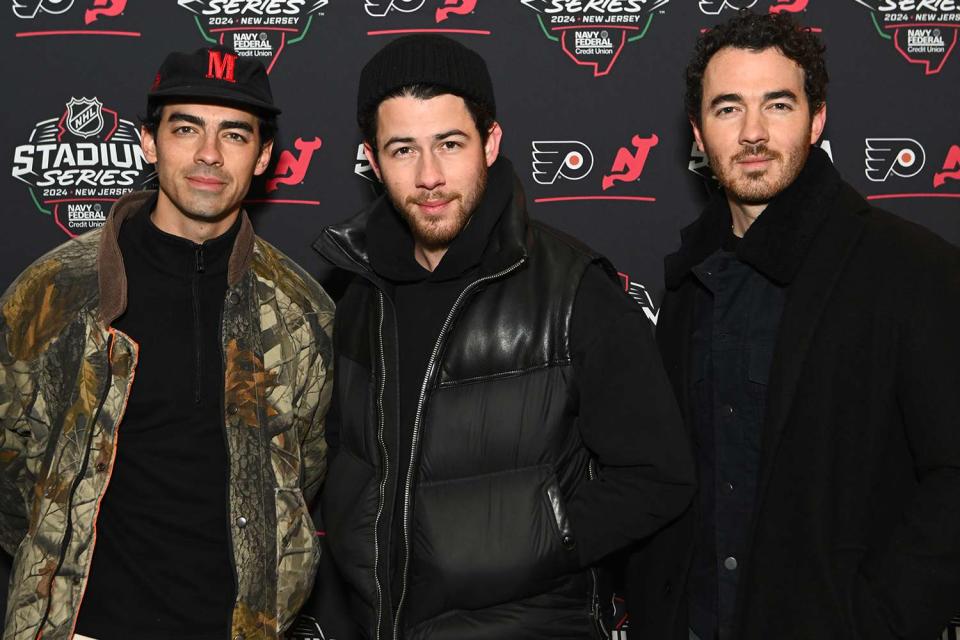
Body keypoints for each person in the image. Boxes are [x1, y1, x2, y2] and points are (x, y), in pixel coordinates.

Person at [312, 34, 694, 639]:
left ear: (490, 143)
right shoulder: (354, 296)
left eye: (450, 144)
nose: (429, 176)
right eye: (403, 149)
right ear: (373, 159)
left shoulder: (573, 288)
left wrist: (538, 538)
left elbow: (658, 474)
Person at [0, 46, 334, 640]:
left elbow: (302, 474)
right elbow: (12, 470)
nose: (209, 154)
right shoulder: (52, 292)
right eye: (187, 129)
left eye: (234, 134)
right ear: (150, 144)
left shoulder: (302, 311)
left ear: (262, 158)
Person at [654, 10, 960, 640]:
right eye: (728, 108)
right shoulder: (688, 284)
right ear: (698, 129)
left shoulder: (911, 269)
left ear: (817, 118)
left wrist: (876, 619)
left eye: (779, 105)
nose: (754, 133)